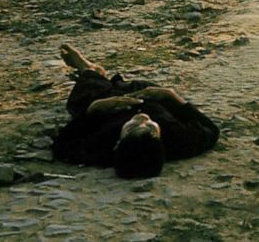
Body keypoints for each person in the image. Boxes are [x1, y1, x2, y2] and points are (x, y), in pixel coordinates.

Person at [52, 45, 219, 179]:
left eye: (132, 127)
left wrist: (94, 110)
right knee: (139, 85)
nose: (143, 119)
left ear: (118, 142)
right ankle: (99, 76)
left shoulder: (101, 148)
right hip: (148, 97)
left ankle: (87, 69)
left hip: (107, 106)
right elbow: (210, 129)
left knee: (85, 97)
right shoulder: (179, 141)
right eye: (151, 127)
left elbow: (62, 145)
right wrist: (170, 95)